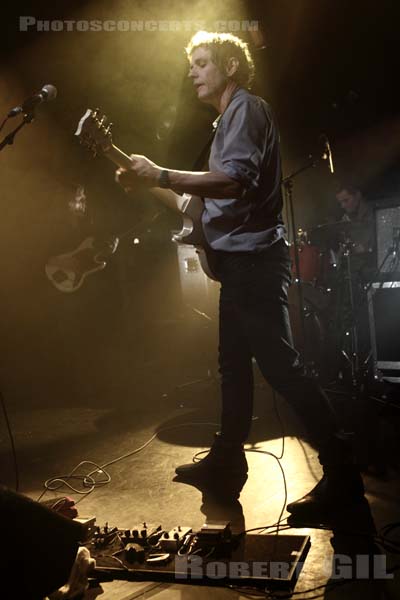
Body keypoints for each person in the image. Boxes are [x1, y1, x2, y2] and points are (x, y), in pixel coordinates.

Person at [115, 31, 365, 520]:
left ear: (230, 66)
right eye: (192, 64)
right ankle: (226, 466)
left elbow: (235, 180)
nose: (192, 71)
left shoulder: (247, 110)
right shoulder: (227, 120)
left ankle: (345, 476)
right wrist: (147, 183)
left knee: (282, 369)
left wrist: (160, 174)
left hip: (255, 265)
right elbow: (205, 204)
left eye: (202, 62)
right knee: (233, 369)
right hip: (239, 266)